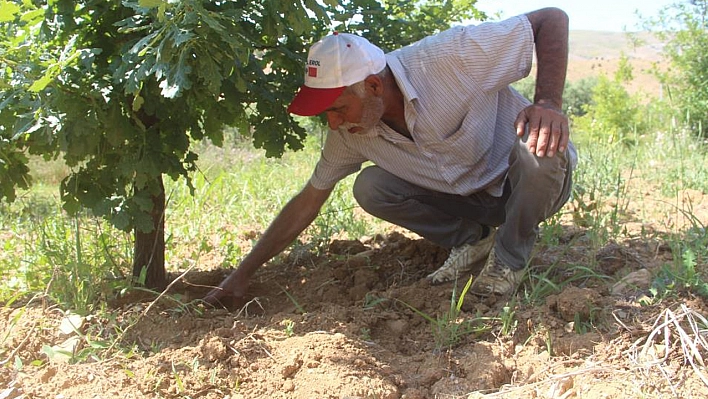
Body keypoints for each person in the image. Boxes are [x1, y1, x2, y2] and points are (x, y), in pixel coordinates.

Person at [205, 7, 577, 306]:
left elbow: (550, 20)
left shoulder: (451, 57)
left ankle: (508, 261)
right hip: (471, 202)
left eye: (338, 108)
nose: (333, 123)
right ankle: (472, 239)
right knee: (370, 187)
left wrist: (547, 103)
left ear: (372, 86)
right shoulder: (350, 134)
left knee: (539, 146)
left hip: (528, 187)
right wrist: (241, 274)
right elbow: (307, 202)